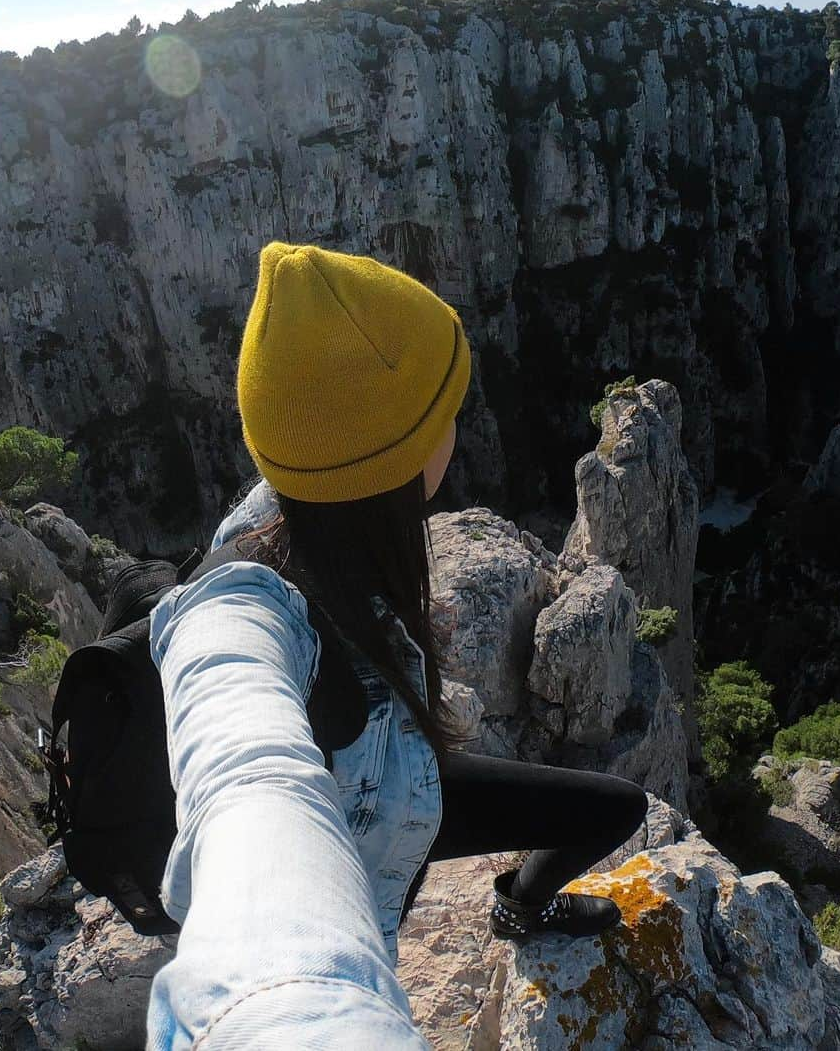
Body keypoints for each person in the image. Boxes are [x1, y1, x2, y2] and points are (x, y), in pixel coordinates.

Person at [146, 241, 649, 1049]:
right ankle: (514, 903)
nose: (459, 423)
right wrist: (299, 1012)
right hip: (346, 825)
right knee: (614, 808)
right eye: (445, 408)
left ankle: (521, 902)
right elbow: (245, 767)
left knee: (617, 808)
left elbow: (311, 413)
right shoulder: (234, 614)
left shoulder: (299, 487)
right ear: (400, 451)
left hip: (394, 783)